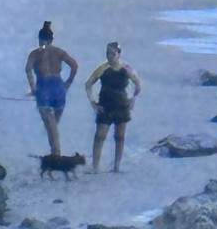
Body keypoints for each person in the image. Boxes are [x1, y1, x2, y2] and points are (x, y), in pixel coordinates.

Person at [85, 41, 142, 173]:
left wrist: (133, 99)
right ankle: (95, 166)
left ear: (118, 54)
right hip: (105, 105)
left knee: (120, 136)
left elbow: (138, 84)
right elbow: (88, 85)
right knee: (100, 135)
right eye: (108, 53)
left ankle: (117, 166)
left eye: (112, 54)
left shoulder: (127, 69)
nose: (110, 56)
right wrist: (93, 103)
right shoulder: (102, 69)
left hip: (121, 106)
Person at [25, 21, 78, 157]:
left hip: (44, 88)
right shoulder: (58, 52)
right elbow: (74, 65)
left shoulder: (35, 54)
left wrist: (33, 88)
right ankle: (55, 150)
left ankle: (56, 153)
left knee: (50, 125)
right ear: (51, 40)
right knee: (53, 124)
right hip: (58, 87)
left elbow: (28, 70)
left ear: (40, 39)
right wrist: (68, 83)